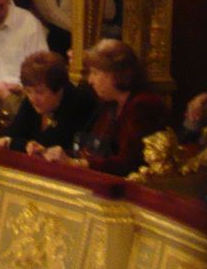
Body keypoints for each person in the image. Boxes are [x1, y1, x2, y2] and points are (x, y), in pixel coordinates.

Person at [42, 39, 170, 175]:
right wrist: (51, 153)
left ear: (115, 74)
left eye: (95, 73)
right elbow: (94, 151)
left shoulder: (143, 105)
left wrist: (76, 163)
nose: (90, 80)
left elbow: (128, 164)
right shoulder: (110, 104)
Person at [0, 50, 96, 158]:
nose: (33, 98)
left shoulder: (80, 103)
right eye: (28, 91)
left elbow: (56, 148)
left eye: (40, 92)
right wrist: (11, 142)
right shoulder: (31, 99)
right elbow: (14, 134)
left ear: (58, 89)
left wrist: (10, 143)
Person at [27, 0, 118, 56]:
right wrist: (81, 31)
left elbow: (110, 13)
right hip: (51, 40)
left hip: (81, 42)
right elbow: (51, 13)